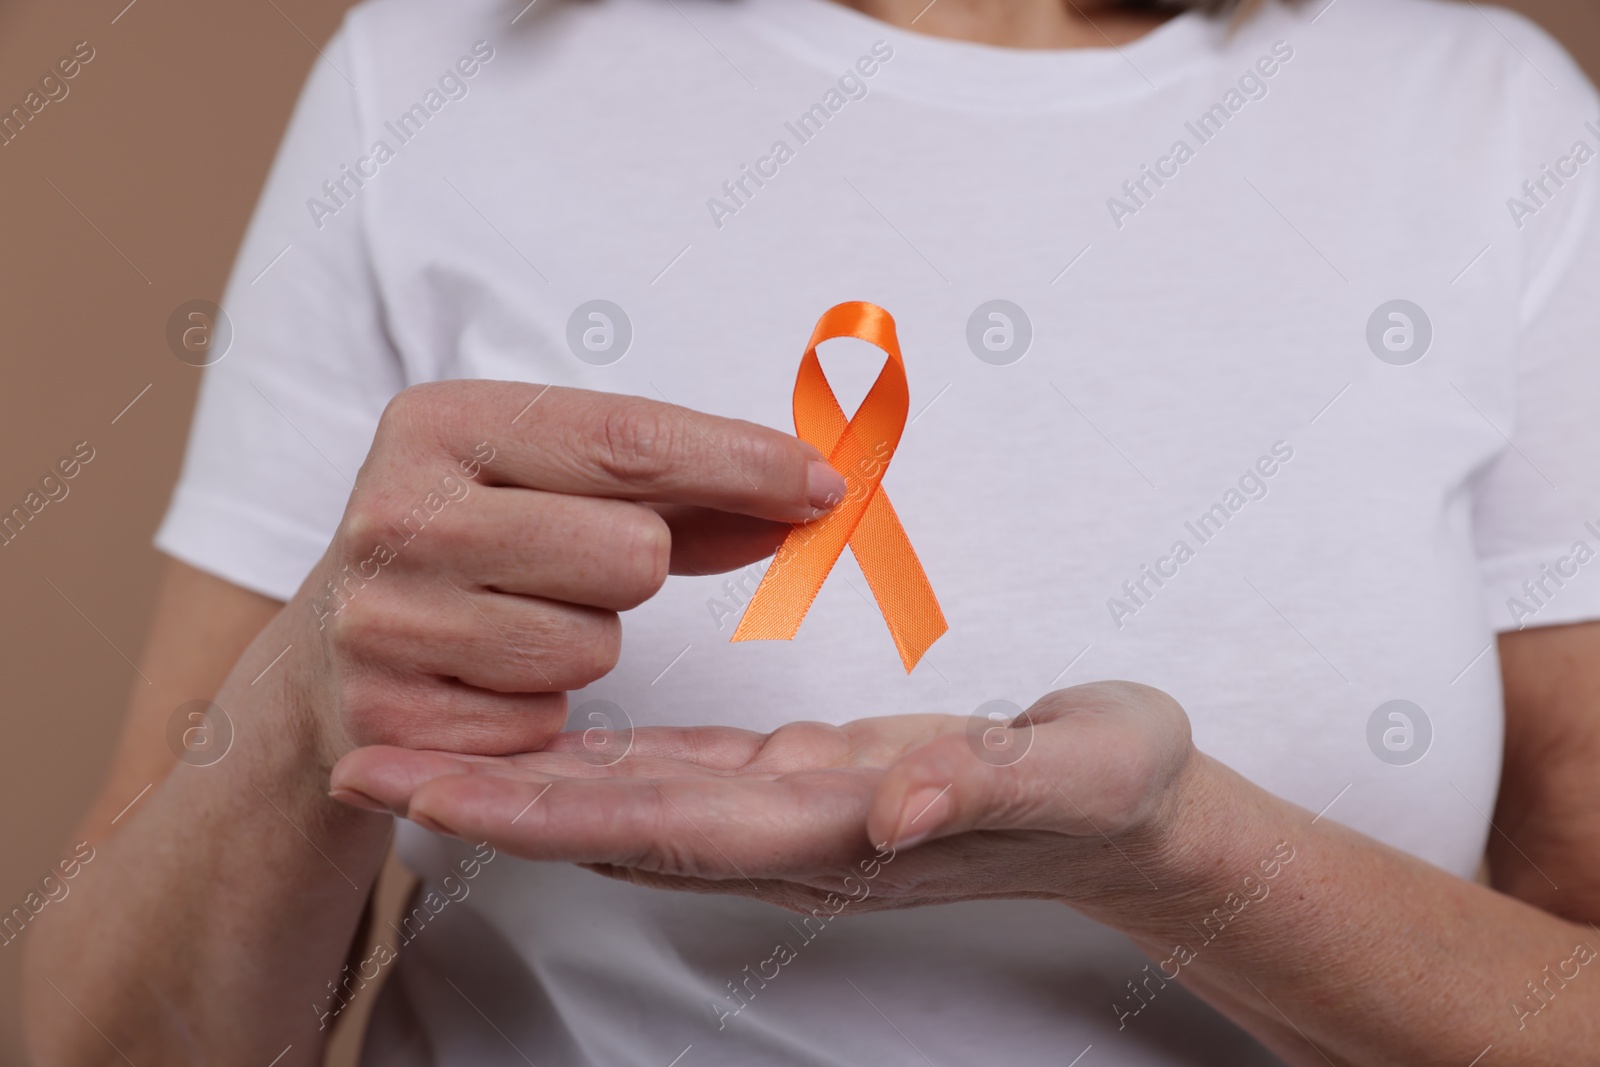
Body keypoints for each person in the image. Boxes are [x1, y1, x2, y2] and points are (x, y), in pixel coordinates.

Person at [24, 0, 1600, 1063]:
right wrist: (310, 705)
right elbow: (94, 1036)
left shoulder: (1479, 116)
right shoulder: (426, 68)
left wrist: (1179, 859)